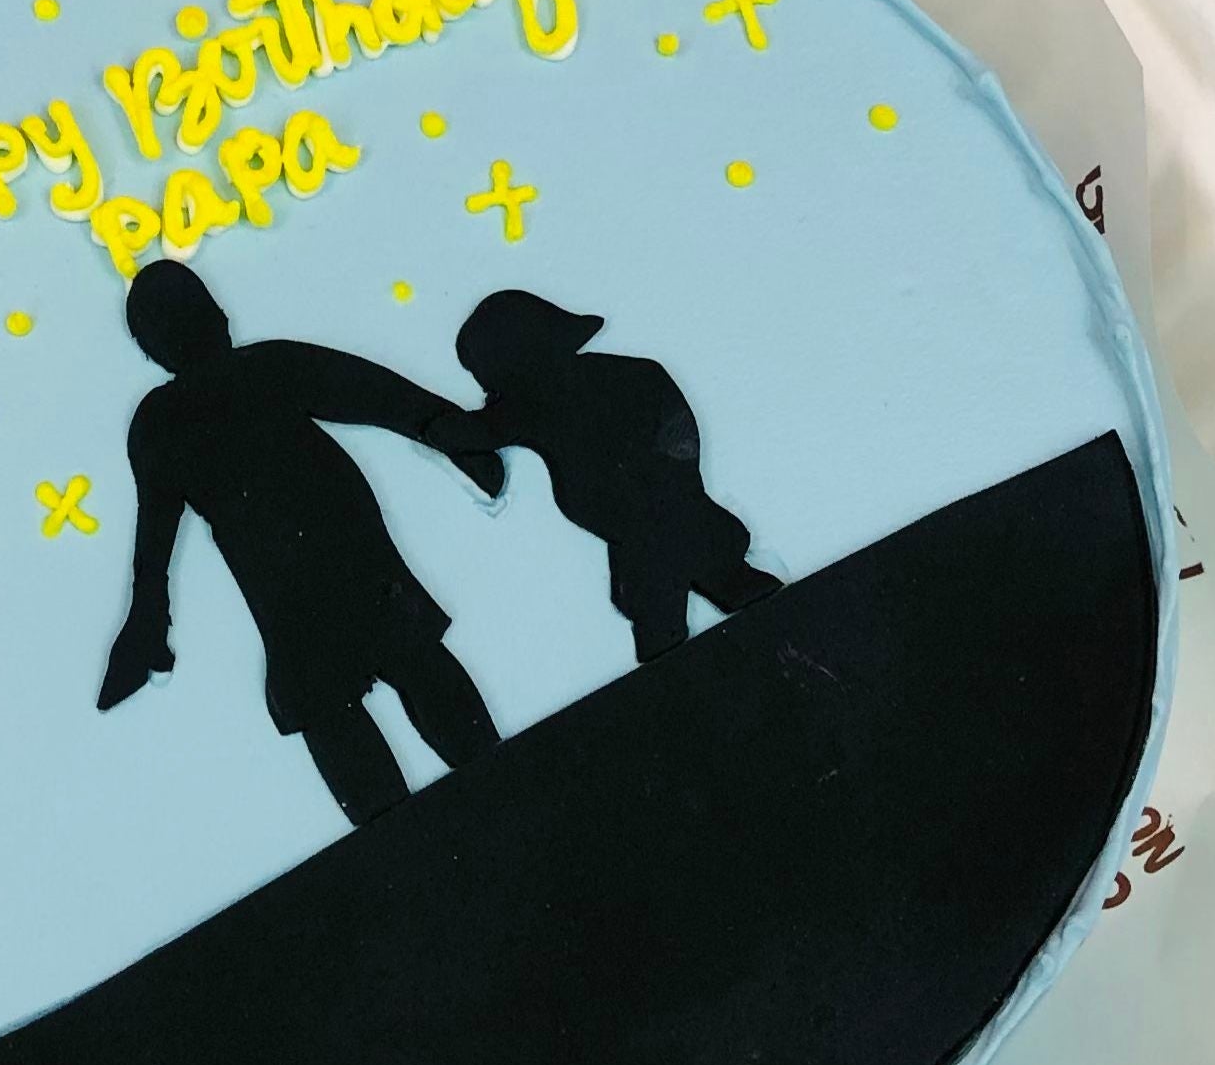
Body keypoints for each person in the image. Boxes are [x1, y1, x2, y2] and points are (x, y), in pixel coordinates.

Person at [98, 262, 506, 828]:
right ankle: (458, 800)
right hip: (307, 565)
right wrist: (446, 428)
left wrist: (447, 429)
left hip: (309, 564)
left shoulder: (177, 413)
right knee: (385, 672)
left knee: (373, 677)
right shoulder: (202, 401)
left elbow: (375, 393)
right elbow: (379, 394)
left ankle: (438, 812)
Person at [447, 290, 778, 664]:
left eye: (488, 375)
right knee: (714, 583)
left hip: (653, 533)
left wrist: (434, 421)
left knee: (669, 622)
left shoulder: (547, 399)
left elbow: (476, 432)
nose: (488, 391)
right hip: (670, 524)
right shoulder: (629, 374)